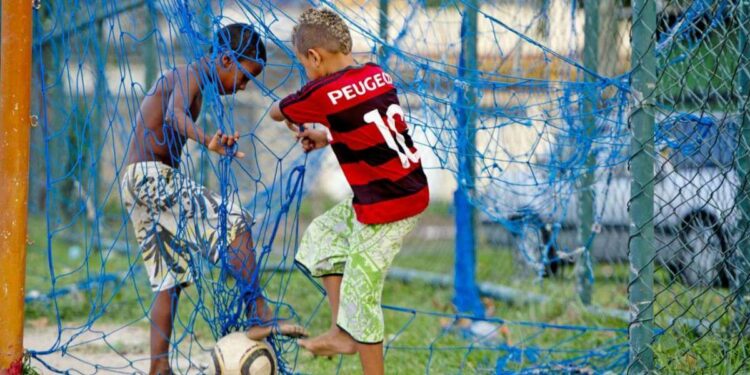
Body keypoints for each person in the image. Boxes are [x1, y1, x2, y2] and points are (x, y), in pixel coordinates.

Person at [122, 23, 306, 375]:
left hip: (134, 182)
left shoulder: (193, 79)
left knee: (169, 278)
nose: (244, 85)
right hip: (150, 178)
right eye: (245, 76)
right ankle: (257, 311)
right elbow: (176, 116)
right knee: (234, 221)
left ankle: (158, 368)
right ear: (225, 59)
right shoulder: (187, 73)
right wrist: (207, 140)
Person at [269, 9, 429, 375]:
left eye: (303, 64)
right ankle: (343, 332)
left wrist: (292, 104)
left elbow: (279, 112)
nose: (306, 72)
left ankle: (358, 345)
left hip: (390, 206)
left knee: (362, 297)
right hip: (394, 192)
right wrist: (327, 135)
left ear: (314, 57)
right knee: (324, 236)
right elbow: (368, 125)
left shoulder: (322, 90)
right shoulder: (376, 73)